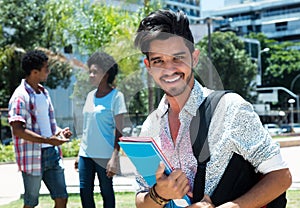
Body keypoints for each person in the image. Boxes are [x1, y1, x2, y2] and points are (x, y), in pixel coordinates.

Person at [134, 9, 292, 208]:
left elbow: (281, 176)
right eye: (159, 61)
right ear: (148, 66)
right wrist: (159, 194)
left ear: (194, 57)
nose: (169, 69)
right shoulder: (150, 127)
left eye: (177, 58)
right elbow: (141, 198)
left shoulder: (231, 108)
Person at [8, 50, 72, 208]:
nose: (49, 71)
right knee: (31, 202)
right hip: (33, 157)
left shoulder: (44, 93)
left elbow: (46, 125)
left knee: (62, 198)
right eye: (46, 68)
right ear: (34, 72)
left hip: (52, 153)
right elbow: (18, 130)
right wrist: (47, 140)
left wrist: (59, 132)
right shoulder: (19, 96)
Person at [75, 52, 127, 208]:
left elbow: (119, 131)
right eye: (90, 72)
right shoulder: (90, 96)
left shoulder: (117, 97)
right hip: (86, 155)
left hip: (105, 156)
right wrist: (79, 153)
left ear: (106, 74)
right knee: (85, 193)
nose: (91, 75)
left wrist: (114, 157)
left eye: (95, 72)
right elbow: (86, 128)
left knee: (106, 193)